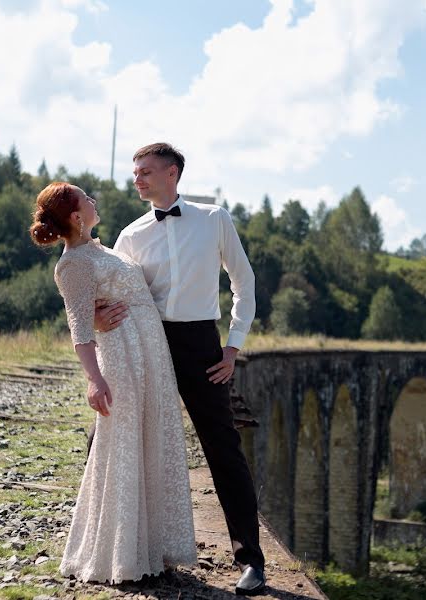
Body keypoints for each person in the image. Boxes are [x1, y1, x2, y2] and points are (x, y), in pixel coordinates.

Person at [94, 142, 267, 595]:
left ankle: (250, 559)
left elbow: (243, 282)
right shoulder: (130, 235)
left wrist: (232, 347)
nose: (137, 179)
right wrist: (95, 318)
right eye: (135, 173)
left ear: (172, 173)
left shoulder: (215, 220)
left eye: (145, 172)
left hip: (201, 345)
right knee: (116, 435)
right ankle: (116, 544)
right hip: (145, 340)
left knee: (224, 448)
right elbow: (107, 293)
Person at [29, 182, 196, 584]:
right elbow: (80, 331)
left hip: (150, 357)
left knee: (151, 442)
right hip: (122, 358)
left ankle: (149, 547)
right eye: (87, 199)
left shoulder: (100, 251)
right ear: (75, 216)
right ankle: (120, 553)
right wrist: (94, 379)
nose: (94, 201)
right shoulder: (72, 264)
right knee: (122, 448)